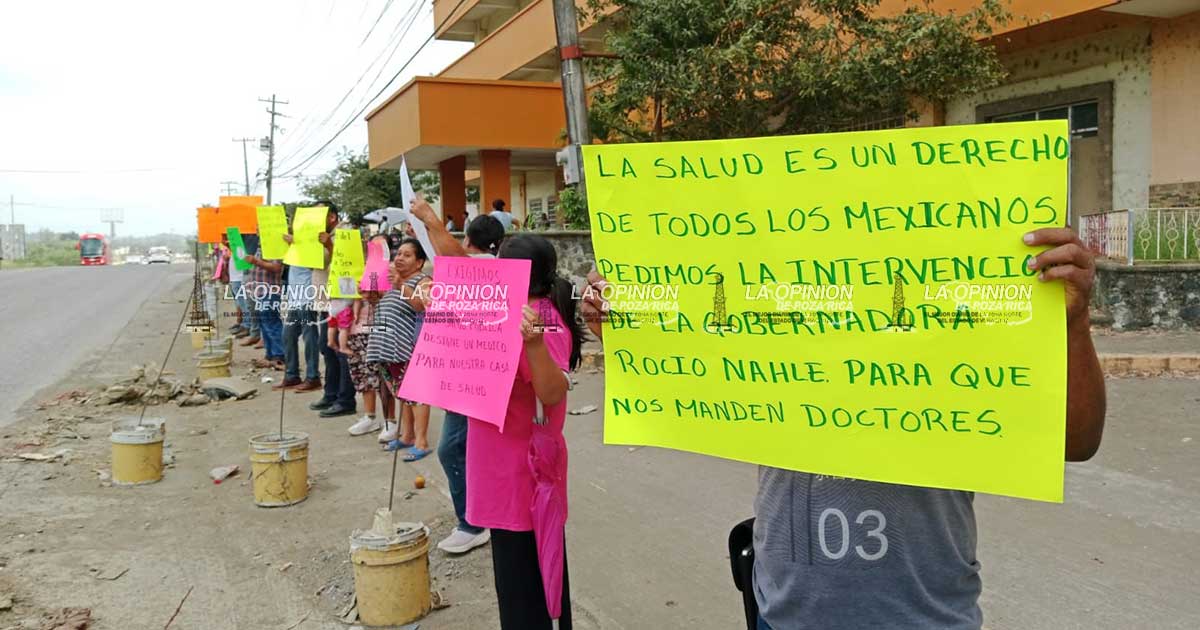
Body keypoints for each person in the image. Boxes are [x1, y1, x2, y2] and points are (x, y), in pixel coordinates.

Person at [578, 227, 1108, 630]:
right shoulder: (773, 335)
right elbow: (689, 378)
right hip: (783, 611)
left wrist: (1074, 325)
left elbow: (1076, 443)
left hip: (925, 618)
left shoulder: (956, 341)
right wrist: (627, 328)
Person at [466, 234, 584, 630]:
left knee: (531, 589)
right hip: (497, 468)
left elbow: (551, 392)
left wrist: (532, 343)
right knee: (515, 582)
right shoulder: (498, 309)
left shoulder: (542, 318)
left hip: (524, 477)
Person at [411, 198, 506, 554]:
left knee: (452, 448)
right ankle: (480, 516)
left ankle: (474, 522)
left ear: (468, 240)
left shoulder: (483, 267)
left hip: (473, 376)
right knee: (468, 448)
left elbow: (454, 260)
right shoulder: (472, 267)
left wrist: (431, 219)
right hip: (465, 372)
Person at [366, 238, 433, 460]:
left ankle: (421, 442)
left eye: (407, 255)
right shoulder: (394, 280)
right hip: (387, 348)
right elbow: (384, 305)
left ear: (419, 262)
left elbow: (423, 305)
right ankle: (407, 436)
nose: (400, 258)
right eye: (399, 254)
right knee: (402, 393)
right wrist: (371, 293)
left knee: (417, 395)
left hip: (409, 348)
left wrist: (401, 286)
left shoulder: (423, 280)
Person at [310, 208, 358, 417]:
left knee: (340, 350)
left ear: (332, 217)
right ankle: (331, 393)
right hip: (325, 300)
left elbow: (346, 267)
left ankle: (345, 399)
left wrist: (329, 244)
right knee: (327, 348)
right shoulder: (315, 237)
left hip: (341, 300)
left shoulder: (345, 233)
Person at [243, 244, 285, 370]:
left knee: (272, 324)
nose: (257, 232)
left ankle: (279, 356)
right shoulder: (259, 247)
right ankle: (270, 355)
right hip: (259, 292)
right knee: (265, 325)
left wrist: (256, 261)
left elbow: (276, 267)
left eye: (259, 229)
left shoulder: (275, 246)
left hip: (269, 291)